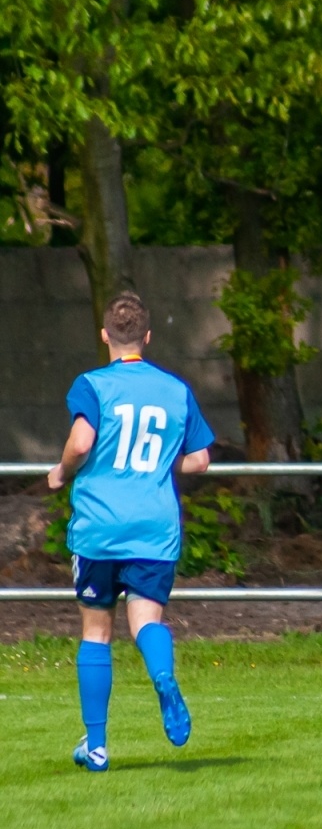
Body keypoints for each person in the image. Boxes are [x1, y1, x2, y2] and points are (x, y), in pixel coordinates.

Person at [47, 292, 215, 772]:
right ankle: (163, 676)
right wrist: (164, 462)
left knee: (97, 630)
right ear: (147, 336)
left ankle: (96, 745)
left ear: (105, 336)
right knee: (146, 621)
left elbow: (81, 442)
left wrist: (61, 472)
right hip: (154, 527)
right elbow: (200, 460)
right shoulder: (175, 389)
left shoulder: (93, 385)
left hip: (99, 526)